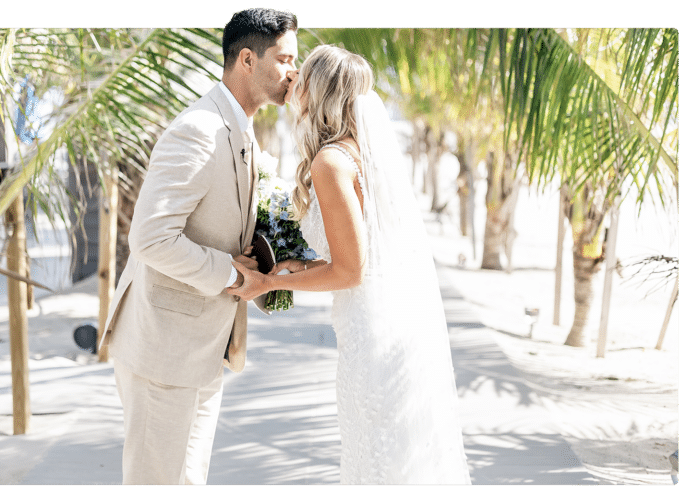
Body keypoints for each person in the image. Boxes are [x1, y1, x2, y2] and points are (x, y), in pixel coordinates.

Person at [227, 45, 472, 484]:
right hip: (389, 319)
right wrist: (300, 267)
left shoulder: (329, 163)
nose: (292, 82)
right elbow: (365, 252)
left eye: (302, 76)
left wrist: (265, 282)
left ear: (317, 91)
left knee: (373, 450)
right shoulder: (358, 154)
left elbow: (351, 271)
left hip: (368, 329)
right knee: (389, 451)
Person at [98, 9, 298, 484]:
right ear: (247, 59)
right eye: (285, 59)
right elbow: (149, 237)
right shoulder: (199, 130)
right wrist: (233, 273)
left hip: (202, 347)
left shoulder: (240, 127)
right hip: (163, 349)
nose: (295, 70)